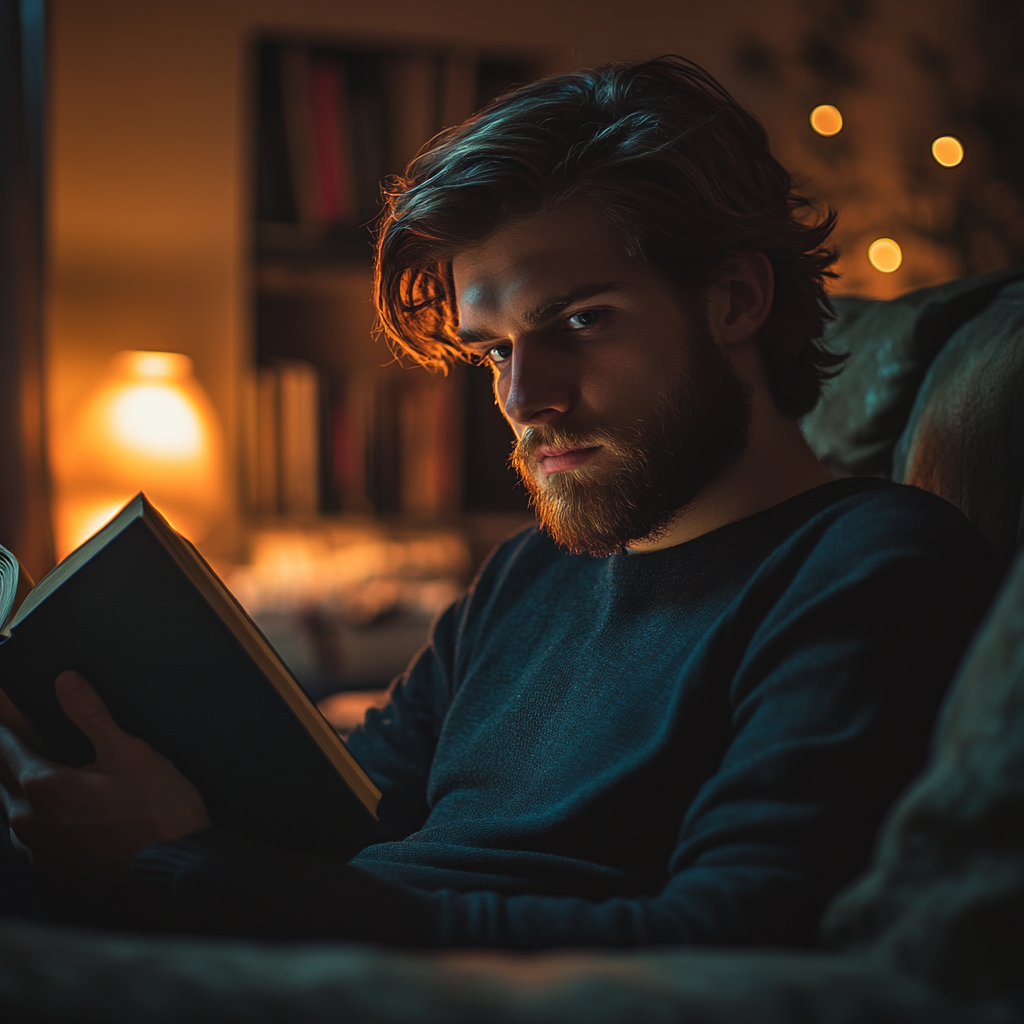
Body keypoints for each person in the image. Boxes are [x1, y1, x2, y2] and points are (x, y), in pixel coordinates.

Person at [0, 56, 1001, 947]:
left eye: (581, 320)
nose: (524, 399)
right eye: (494, 351)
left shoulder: (870, 566)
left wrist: (173, 867)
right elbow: (352, 805)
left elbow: (718, 936)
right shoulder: (531, 570)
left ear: (735, 299)